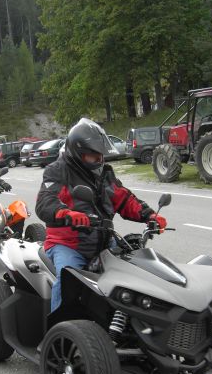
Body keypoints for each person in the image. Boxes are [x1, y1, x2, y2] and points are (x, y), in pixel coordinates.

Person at [35, 118, 167, 313]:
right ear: (77, 153)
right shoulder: (58, 171)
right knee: (67, 280)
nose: (98, 160)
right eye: (93, 156)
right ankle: (60, 326)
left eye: (100, 156)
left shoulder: (104, 173)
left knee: (133, 271)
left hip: (104, 242)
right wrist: (66, 213)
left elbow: (123, 198)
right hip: (68, 245)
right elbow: (45, 201)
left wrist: (149, 215)